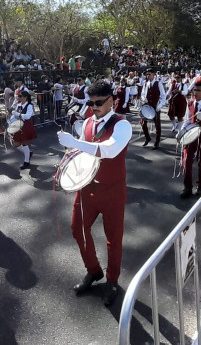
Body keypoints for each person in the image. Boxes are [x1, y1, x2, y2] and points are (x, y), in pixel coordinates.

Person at [56, 80, 132, 306]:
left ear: (112, 101)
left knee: (113, 239)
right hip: (87, 187)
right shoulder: (87, 122)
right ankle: (94, 270)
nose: (94, 107)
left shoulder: (122, 125)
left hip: (112, 190)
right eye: (90, 102)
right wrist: (66, 162)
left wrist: (76, 143)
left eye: (99, 102)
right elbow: (82, 154)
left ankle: (112, 280)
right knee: (77, 229)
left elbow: (109, 150)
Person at [141, 69, 165, 149]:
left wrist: (160, 105)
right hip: (147, 105)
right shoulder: (145, 83)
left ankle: (157, 142)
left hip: (155, 106)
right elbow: (143, 94)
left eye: (149, 74)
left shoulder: (158, 83)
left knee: (157, 124)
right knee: (143, 123)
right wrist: (144, 98)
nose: (148, 76)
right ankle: (147, 138)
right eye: (147, 74)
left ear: (153, 74)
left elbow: (163, 95)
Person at [11, 91, 36, 169]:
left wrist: (17, 114)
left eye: (20, 96)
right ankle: (28, 153)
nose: (18, 97)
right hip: (19, 126)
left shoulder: (29, 106)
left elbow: (28, 116)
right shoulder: (18, 105)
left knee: (25, 144)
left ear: (25, 97)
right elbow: (15, 116)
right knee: (16, 144)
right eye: (18, 96)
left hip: (26, 126)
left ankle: (26, 162)